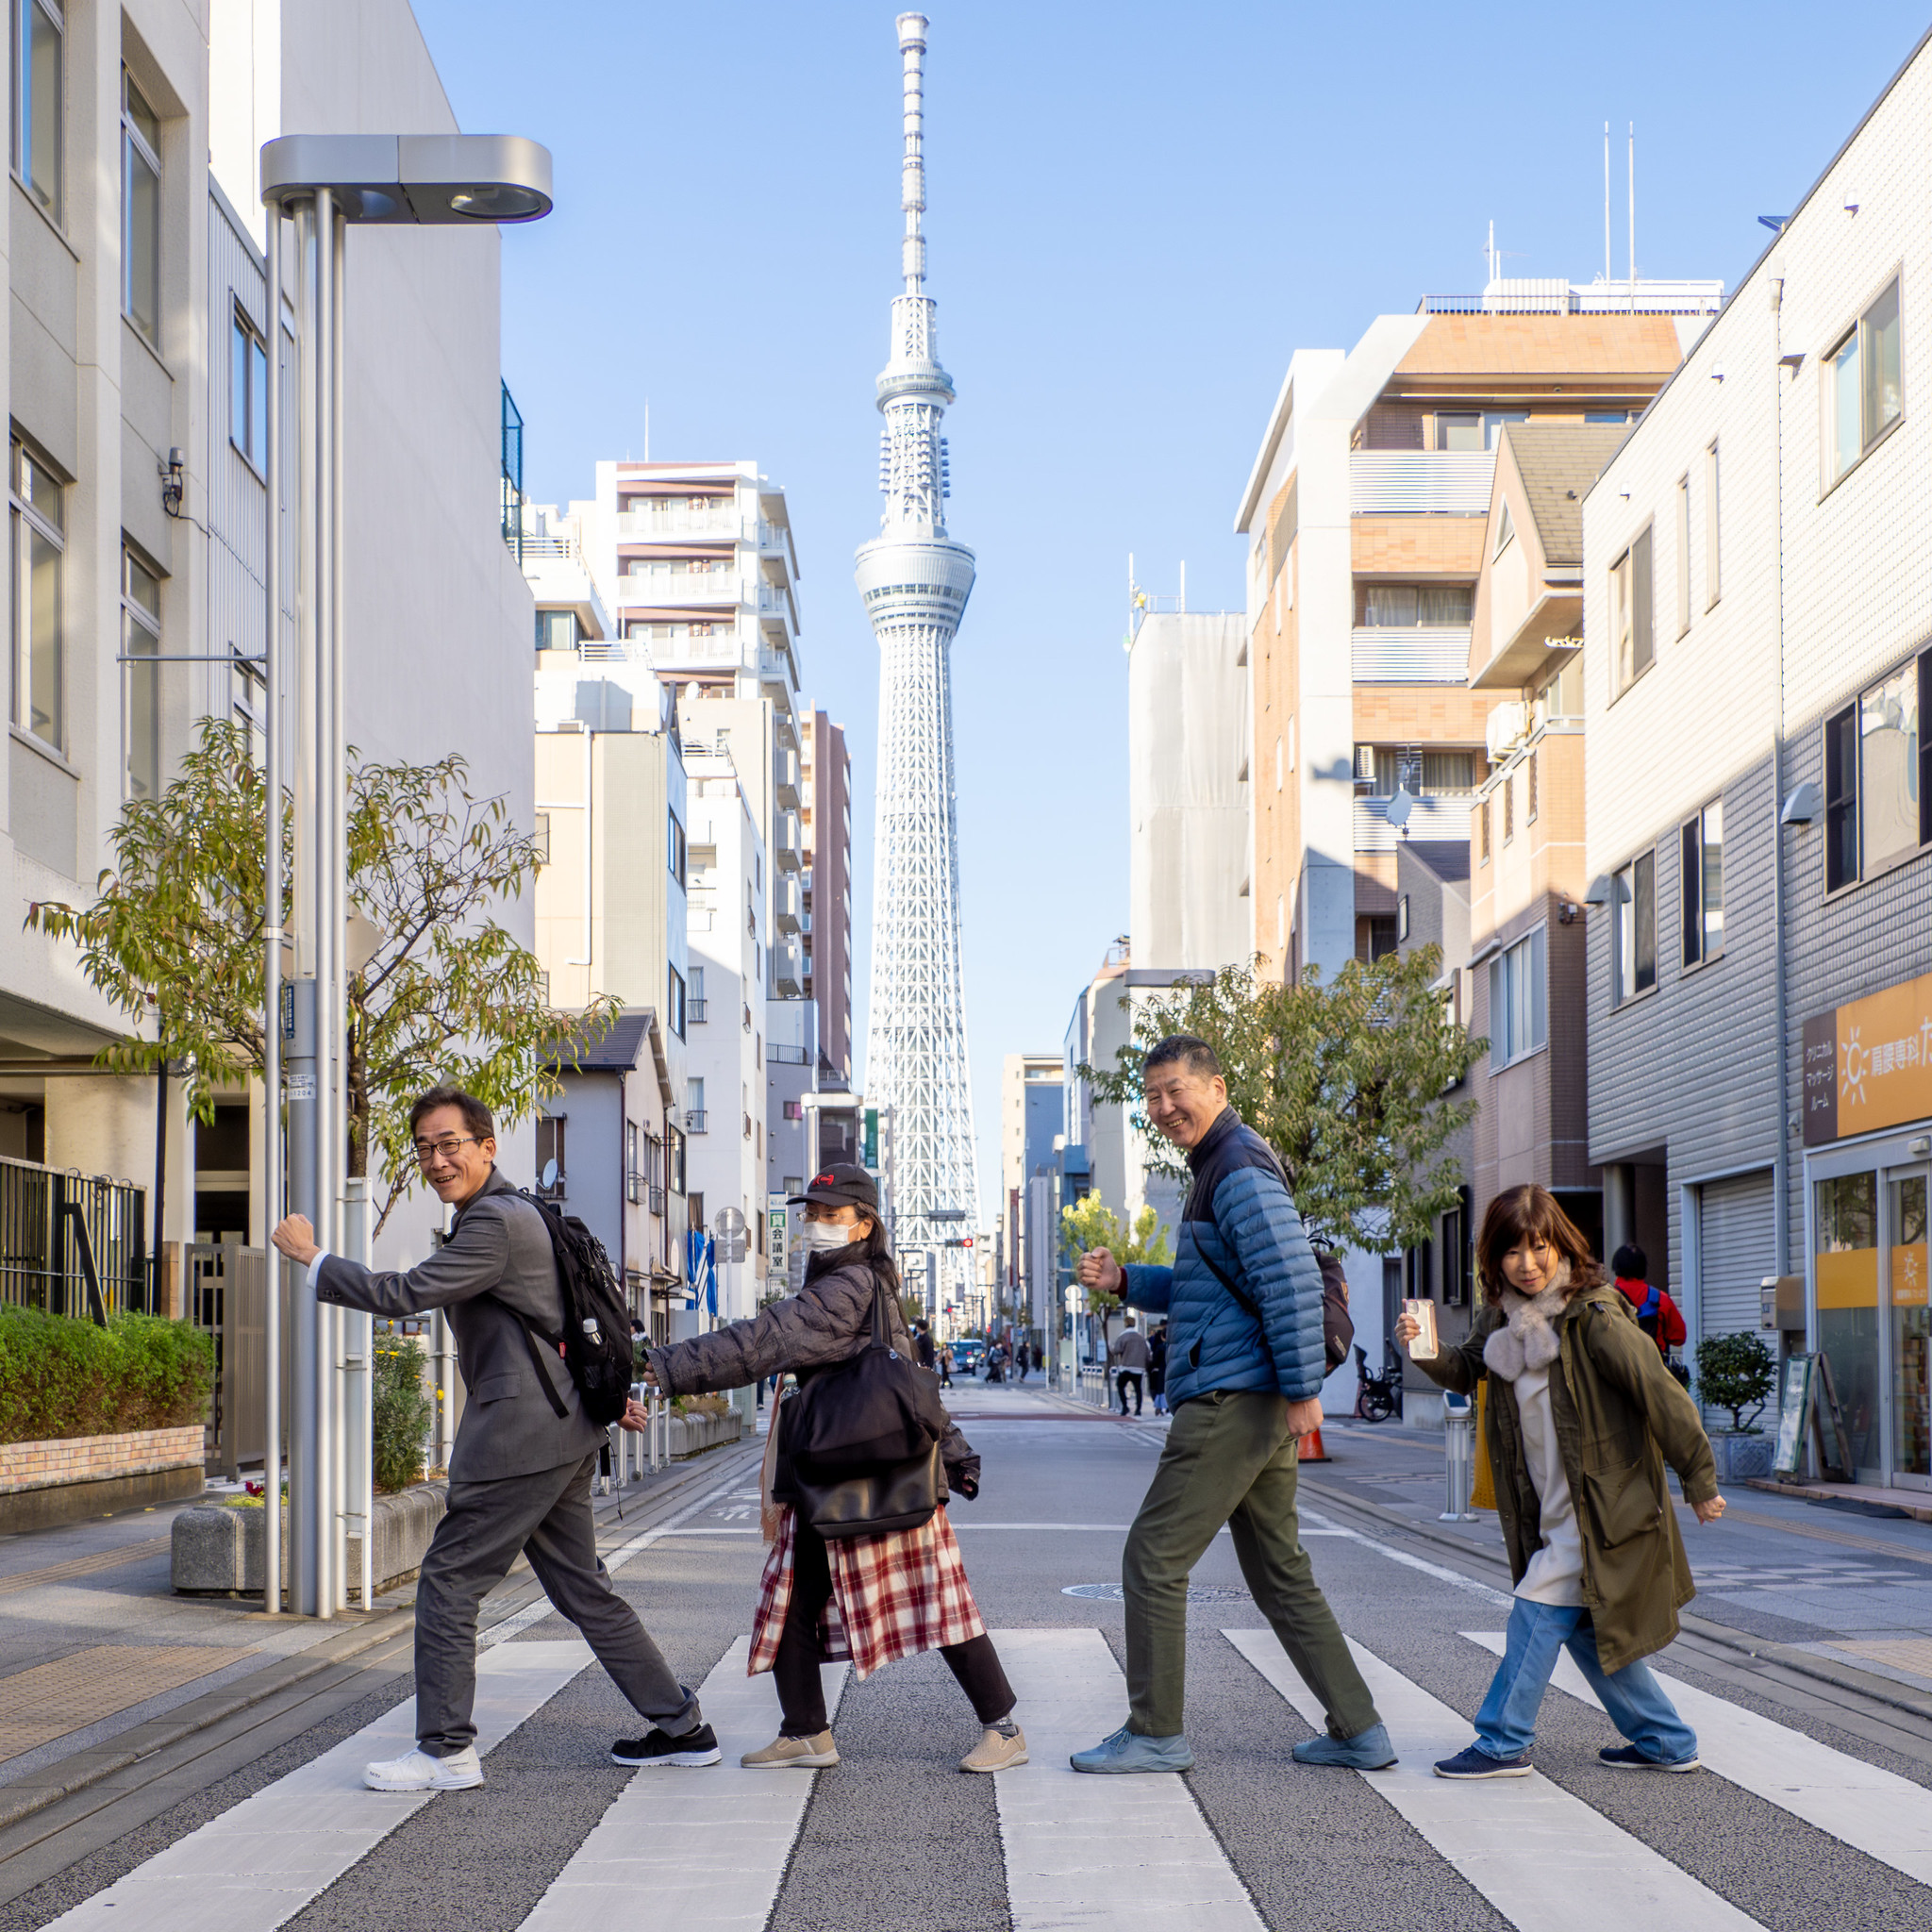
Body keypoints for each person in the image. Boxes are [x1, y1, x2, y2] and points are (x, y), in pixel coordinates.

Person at [269, 1085, 716, 1792]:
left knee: (448, 1583)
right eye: (424, 1148)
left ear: (486, 1147)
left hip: (518, 1441)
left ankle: (446, 1750)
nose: (437, 1160)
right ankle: (684, 1727)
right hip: (561, 1430)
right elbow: (561, 1322)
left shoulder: (492, 1225)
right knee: (584, 1592)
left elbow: (405, 1293)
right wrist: (601, 1397)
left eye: (450, 1144)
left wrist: (314, 1258)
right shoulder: (522, 1212)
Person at [631, 1165, 1027, 1774]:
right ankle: (805, 1732)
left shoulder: (847, 1288)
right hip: (840, 1470)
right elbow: (911, 1380)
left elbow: (762, 1340)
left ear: (864, 1224)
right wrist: (953, 1452)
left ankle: (1003, 1730)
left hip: (866, 1472)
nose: (815, 1225)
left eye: (830, 1214)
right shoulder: (855, 1282)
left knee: (939, 1602)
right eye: (811, 1213)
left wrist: (664, 1367)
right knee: (797, 1599)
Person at [1071, 1036, 1392, 1774]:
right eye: (1151, 1097)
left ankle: (1156, 1733)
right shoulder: (1219, 1164)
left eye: (1175, 1091)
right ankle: (1360, 1728)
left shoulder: (1237, 1167)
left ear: (1215, 1086)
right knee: (1280, 1569)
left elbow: (1285, 1278)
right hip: (1253, 1391)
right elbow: (1206, 1285)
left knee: (1152, 1559)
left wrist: (1306, 1390)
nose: (1163, 1108)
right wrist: (1126, 1279)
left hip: (1232, 1397)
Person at [1399, 1185, 1724, 1779]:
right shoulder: (1503, 1316)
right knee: (1577, 1622)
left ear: (1561, 1245)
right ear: (1493, 1259)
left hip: (1598, 1506)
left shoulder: (1594, 1316)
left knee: (1536, 1607)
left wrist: (1699, 1478)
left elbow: (1661, 1393)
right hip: (1550, 1505)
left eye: (1539, 1247)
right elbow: (1468, 1367)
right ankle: (1665, 1738)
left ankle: (1501, 1741)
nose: (1527, 1264)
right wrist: (1423, 1347)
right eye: (1512, 1252)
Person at [1610, 1244, 1689, 1359]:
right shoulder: (1660, 1298)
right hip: (1654, 1368)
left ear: (1616, 1266)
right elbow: (1679, 1337)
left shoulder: (1608, 1298)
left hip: (1618, 1369)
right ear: (1643, 1267)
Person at [1110, 1314, 1151, 1415]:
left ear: (1125, 1324)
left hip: (1126, 1367)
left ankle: (1125, 1407)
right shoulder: (1141, 1338)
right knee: (1138, 1389)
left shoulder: (1123, 1336)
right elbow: (1148, 1353)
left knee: (1120, 1385)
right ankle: (1138, 1409)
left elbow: (1116, 1350)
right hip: (1138, 1368)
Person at [1147, 1324, 1169, 1415]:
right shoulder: (1173, 1348)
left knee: (1160, 1390)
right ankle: (1167, 1408)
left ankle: (1160, 1407)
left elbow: (1154, 1360)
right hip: (1171, 1371)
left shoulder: (1160, 1348)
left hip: (1161, 1371)